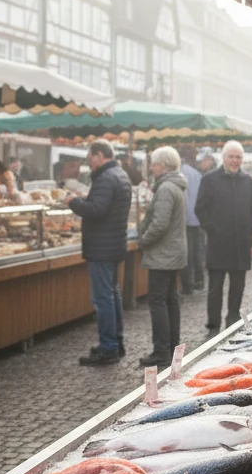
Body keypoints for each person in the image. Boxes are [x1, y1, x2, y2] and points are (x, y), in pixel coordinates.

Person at [68, 140, 133, 365]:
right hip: (113, 244)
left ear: (99, 155)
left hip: (102, 247)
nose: (89, 160)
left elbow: (97, 210)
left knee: (103, 298)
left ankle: (108, 347)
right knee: (112, 295)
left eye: (91, 156)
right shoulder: (119, 174)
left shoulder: (106, 178)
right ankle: (116, 342)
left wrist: (74, 202)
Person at [194, 141, 252, 331]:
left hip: (241, 243)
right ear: (223, 157)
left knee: (237, 288)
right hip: (218, 242)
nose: (235, 160)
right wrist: (212, 229)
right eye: (231, 156)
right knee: (215, 288)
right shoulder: (210, 179)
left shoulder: (248, 181)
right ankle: (213, 323)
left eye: (238, 157)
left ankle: (232, 321)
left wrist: (250, 228)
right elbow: (200, 208)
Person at [137, 146, 189, 368]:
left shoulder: (166, 188)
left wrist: (143, 240)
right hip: (173, 252)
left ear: (164, 166)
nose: (151, 168)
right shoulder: (175, 185)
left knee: (158, 301)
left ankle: (161, 351)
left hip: (163, 253)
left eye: (154, 164)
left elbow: (160, 223)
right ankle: (171, 347)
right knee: (170, 300)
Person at [180, 151, 206, 296]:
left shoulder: (180, 173)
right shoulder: (196, 173)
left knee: (187, 253)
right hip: (197, 218)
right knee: (197, 251)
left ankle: (188, 285)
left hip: (185, 219)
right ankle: (199, 280)